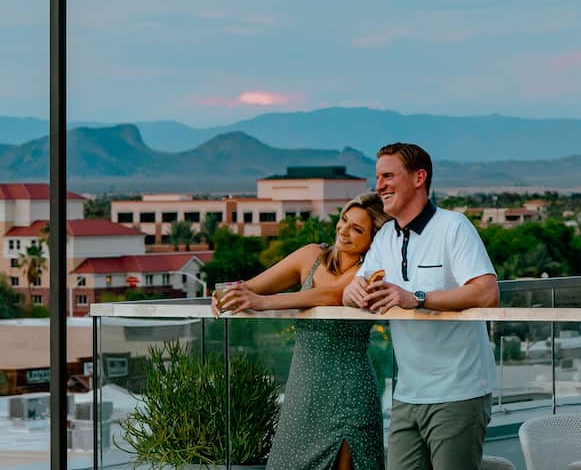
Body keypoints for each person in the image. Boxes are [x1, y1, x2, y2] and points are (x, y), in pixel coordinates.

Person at [342, 142, 499, 470]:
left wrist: (417, 297)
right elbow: (353, 290)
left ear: (419, 178)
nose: (379, 186)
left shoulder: (453, 227)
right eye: (377, 177)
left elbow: (486, 292)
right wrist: (354, 292)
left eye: (388, 176)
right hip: (408, 394)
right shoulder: (385, 238)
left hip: (459, 391)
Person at [213, 192, 391, 470]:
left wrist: (263, 303)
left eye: (357, 229)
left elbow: (332, 295)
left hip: (349, 389)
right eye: (344, 220)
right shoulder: (311, 255)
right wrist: (227, 294)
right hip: (302, 386)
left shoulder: (370, 271)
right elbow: (251, 287)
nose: (343, 231)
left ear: (374, 239)